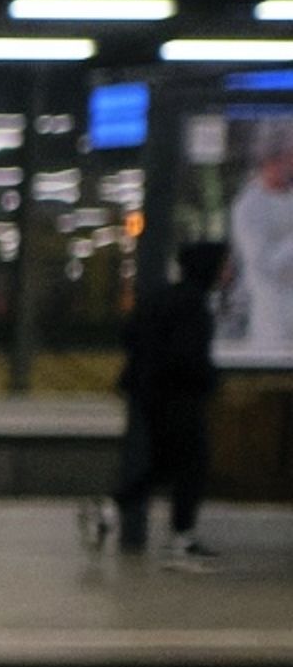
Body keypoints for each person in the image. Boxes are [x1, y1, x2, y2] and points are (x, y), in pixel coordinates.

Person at [88, 239, 229, 568]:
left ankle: (111, 508)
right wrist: (209, 380)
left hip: (152, 393)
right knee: (192, 463)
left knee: (167, 463)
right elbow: (187, 356)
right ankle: (181, 538)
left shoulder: (165, 297)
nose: (226, 273)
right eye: (223, 266)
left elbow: (131, 333)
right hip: (178, 396)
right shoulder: (193, 304)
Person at [232, 133, 293, 361]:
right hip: (272, 316)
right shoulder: (249, 207)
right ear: (269, 162)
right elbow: (264, 262)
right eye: (286, 159)